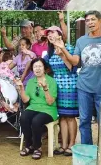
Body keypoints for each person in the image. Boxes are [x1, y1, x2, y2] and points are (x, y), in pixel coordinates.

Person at [56, 10, 101, 144]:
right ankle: (88, 153)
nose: (90, 23)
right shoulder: (81, 41)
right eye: (87, 20)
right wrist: (63, 49)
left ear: (99, 21)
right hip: (84, 87)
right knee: (84, 120)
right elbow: (75, 61)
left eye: (93, 19)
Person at [44, 26, 78, 156]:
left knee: (70, 117)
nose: (50, 35)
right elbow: (44, 67)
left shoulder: (68, 47)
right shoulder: (50, 52)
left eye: (52, 32)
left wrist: (62, 53)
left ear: (59, 34)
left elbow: (72, 68)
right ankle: (63, 145)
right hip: (57, 87)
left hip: (70, 86)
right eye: (48, 34)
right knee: (62, 117)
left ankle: (72, 144)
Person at [17, 58, 58, 160]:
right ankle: (29, 145)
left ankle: (37, 148)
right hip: (33, 107)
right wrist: (21, 89)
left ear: (44, 68)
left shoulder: (51, 81)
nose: (37, 69)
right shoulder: (31, 82)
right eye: (35, 67)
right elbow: (26, 100)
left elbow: (50, 102)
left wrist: (45, 88)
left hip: (48, 110)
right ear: (32, 69)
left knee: (36, 121)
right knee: (24, 118)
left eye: (40, 66)